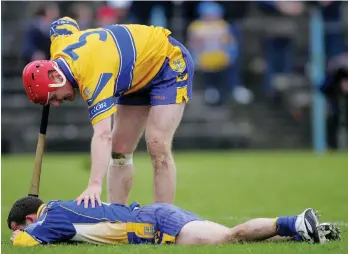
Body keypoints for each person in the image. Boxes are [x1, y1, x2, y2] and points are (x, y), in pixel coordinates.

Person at [22, 17, 194, 207]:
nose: (55, 104)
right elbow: (62, 23)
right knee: (119, 151)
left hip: (167, 63)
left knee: (157, 144)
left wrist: (94, 185)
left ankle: (165, 221)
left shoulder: (92, 75)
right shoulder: (59, 47)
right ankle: (116, 220)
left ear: (56, 77)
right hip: (132, 76)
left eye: (53, 97)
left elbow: (103, 134)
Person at [7, 196, 341, 246]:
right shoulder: (61, 211)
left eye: (21, 224)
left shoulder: (53, 216)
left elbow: (23, 242)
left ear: (30, 218)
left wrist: (19, 235)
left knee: (229, 237)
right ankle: (304, 234)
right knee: (229, 240)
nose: (23, 231)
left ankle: (295, 221)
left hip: (155, 222)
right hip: (155, 216)